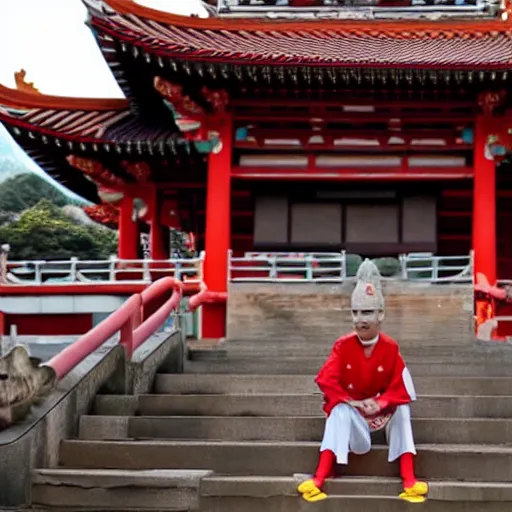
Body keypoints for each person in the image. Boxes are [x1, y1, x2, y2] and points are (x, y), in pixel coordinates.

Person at [297, 259, 428, 504]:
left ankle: (409, 479)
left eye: (367, 312)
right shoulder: (343, 345)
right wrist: (354, 403)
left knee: (403, 409)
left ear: (381, 315)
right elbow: (326, 380)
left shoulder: (391, 348)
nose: (360, 319)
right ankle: (319, 478)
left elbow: (403, 388)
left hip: (382, 417)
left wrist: (381, 402)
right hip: (357, 426)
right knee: (338, 409)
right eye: (355, 313)